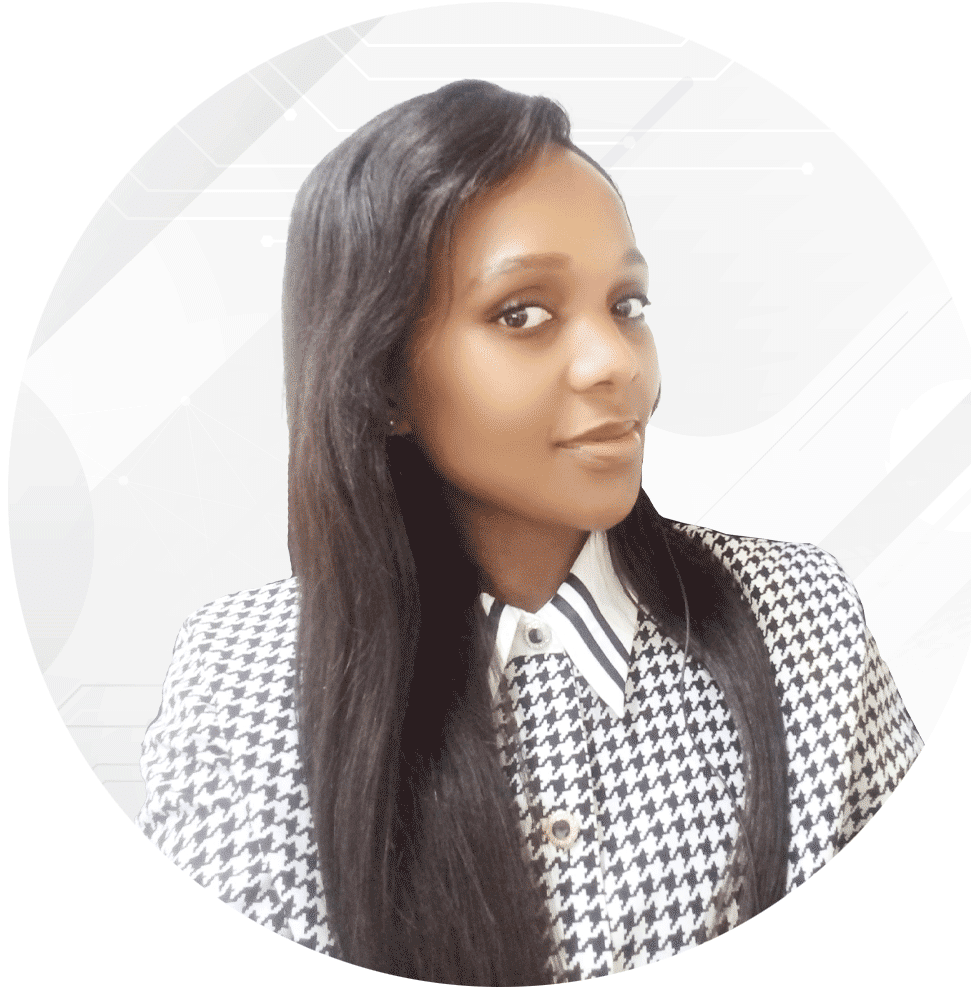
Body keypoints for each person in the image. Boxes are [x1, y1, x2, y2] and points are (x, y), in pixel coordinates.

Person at [137, 80, 922, 985]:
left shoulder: (804, 621)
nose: (615, 362)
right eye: (523, 314)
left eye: (627, 306)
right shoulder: (241, 678)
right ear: (381, 378)